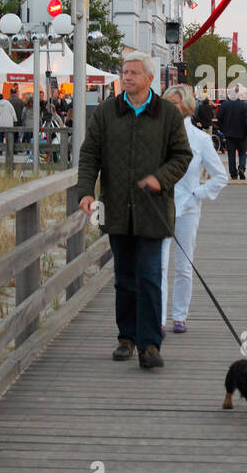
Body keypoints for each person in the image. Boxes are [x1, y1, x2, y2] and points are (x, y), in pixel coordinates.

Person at [74, 52, 192, 370]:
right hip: (115, 209)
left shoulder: (167, 113)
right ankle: (126, 337)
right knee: (124, 278)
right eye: (124, 72)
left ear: (149, 79)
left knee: (150, 276)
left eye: (134, 73)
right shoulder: (107, 112)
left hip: (152, 210)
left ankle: (150, 344)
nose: (127, 77)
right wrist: (85, 190)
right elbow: (90, 155)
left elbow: (182, 156)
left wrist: (160, 178)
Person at [159, 84, 228, 334]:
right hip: (159, 209)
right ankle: (159, 319)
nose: (170, 106)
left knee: (184, 265)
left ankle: (179, 315)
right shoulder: (156, 135)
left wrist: (197, 194)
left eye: (175, 102)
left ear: (186, 106)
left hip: (187, 208)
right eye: (167, 102)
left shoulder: (200, 139)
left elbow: (220, 176)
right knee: (158, 266)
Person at [216, 87, 247, 180]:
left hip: (229, 133)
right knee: (242, 153)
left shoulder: (225, 105)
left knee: (231, 155)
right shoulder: (244, 106)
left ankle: (233, 174)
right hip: (242, 133)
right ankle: (241, 167)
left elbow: (219, 117)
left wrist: (223, 129)